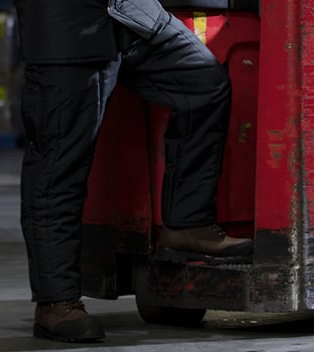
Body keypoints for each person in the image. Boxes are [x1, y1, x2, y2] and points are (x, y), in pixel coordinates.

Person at [14, 0, 254, 343]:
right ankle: (56, 302)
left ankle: (187, 224)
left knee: (204, 84)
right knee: (58, 168)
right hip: (70, 30)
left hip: (133, 16)